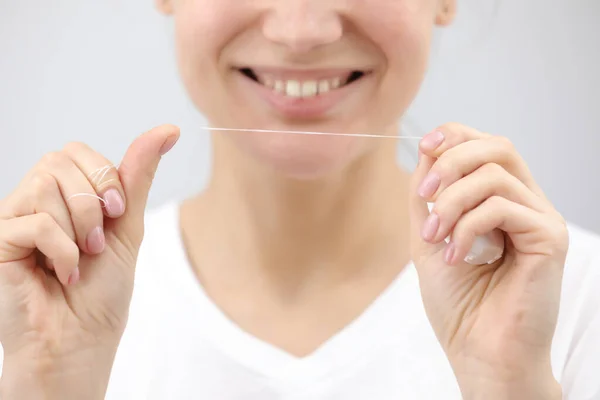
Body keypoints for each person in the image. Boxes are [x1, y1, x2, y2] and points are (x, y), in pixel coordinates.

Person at [0, 0, 599, 398]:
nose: (302, 31)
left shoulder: (570, 305)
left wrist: (510, 383)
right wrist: (49, 383)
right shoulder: (36, 311)